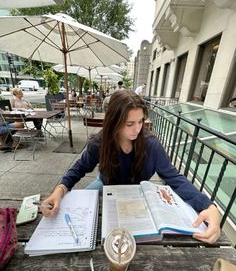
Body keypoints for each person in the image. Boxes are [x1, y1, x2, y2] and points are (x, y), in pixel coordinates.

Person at [41, 90, 221, 244]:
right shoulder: (100, 142)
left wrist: (209, 207)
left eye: (141, 121)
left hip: (138, 194)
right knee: (79, 215)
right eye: (129, 124)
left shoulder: (151, 145)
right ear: (114, 122)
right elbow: (79, 168)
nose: (137, 129)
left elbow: (174, 178)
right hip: (105, 185)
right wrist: (60, 190)